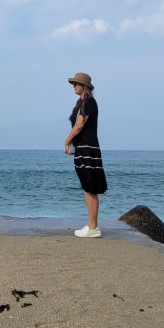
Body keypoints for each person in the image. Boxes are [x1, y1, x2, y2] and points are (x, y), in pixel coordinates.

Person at [64, 71, 108, 238]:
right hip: (83, 147)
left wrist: (67, 141)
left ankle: (93, 227)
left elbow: (79, 125)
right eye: (73, 84)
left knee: (90, 187)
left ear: (84, 86)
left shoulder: (89, 102)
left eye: (76, 84)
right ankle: (92, 226)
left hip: (88, 147)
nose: (74, 86)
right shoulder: (81, 102)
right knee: (87, 186)